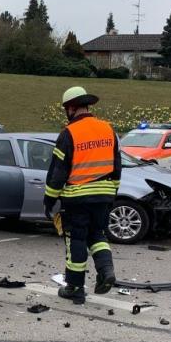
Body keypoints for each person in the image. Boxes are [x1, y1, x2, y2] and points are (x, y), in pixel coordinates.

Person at [43, 87, 121, 304]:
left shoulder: (69, 133)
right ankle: (106, 271)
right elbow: (117, 166)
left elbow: (58, 172)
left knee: (76, 239)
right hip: (104, 194)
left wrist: (49, 200)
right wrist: (112, 192)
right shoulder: (108, 129)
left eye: (67, 109)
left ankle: (75, 287)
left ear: (71, 108)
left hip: (77, 196)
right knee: (97, 235)